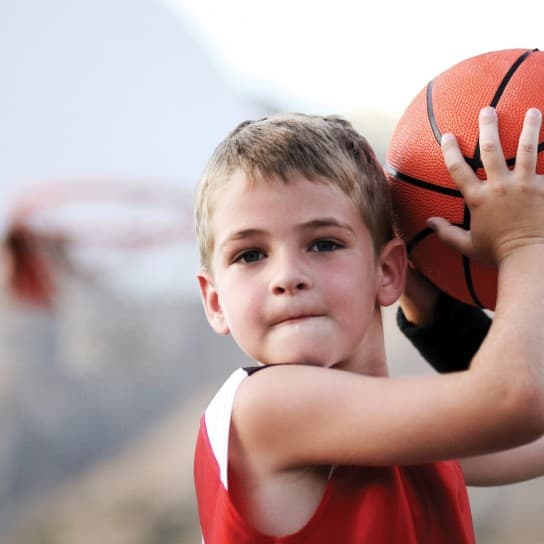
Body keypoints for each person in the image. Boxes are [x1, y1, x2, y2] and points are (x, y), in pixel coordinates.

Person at [193, 107, 544, 543]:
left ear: (388, 271)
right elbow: (517, 400)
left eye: (324, 244)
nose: (286, 277)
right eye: (250, 255)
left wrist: (435, 309)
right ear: (215, 300)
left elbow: (529, 416)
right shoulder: (264, 408)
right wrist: (524, 242)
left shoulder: (407, 443)